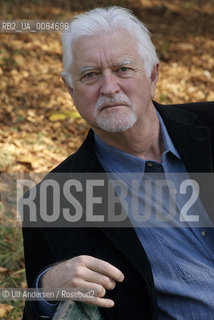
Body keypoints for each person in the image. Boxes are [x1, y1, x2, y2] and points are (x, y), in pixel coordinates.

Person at [22, 6, 214, 320]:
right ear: (71, 90)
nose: (109, 88)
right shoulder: (53, 199)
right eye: (90, 75)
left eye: (123, 69)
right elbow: (39, 307)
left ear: (153, 75)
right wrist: (46, 288)